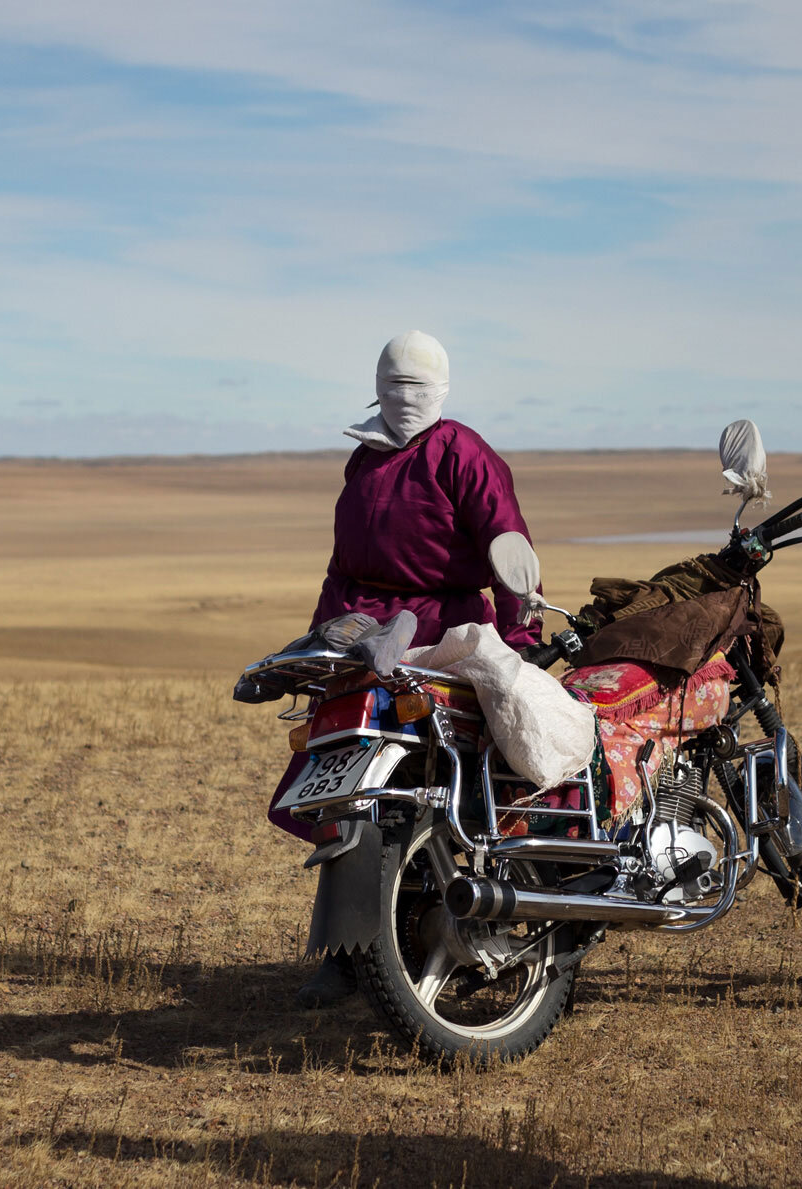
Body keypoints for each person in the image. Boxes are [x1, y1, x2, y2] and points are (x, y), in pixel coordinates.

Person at [282, 330, 542, 1008]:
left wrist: (519, 635)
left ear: (444, 390)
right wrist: (324, 642)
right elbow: (343, 565)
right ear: (376, 386)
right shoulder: (364, 460)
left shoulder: (460, 450)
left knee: (460, 778)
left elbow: (505, 542)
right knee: (347, 787)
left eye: (419, 387)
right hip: (360, 636)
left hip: (441, 632)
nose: (406, 399)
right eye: (394, 385)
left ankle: (501, 917)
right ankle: (341, 956)